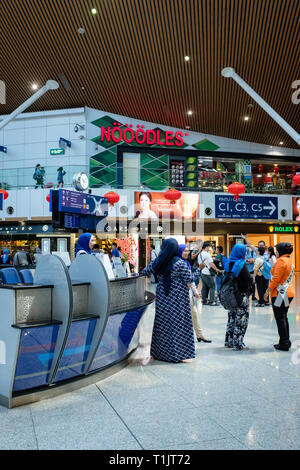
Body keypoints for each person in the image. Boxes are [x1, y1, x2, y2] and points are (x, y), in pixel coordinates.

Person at [141, 238, 195, 363]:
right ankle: (177, 354)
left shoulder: (159, 262)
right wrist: (198, 271)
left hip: (163, 298)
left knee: (163, 324)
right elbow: (189, 280)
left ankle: (161, 353)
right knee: (178, 325)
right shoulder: (180, 263)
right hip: (177, 299)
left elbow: (145, 272)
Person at [264, 243, 294, 351]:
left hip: (280, 294)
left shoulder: (281, 261)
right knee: (283, 317)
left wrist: (267, 292)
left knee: (280, 318)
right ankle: (285, 340)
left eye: (277, 250)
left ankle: (284, 343)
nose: (275, 252)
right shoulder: (288, 260)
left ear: (281, 251)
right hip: (287, 292)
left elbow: (275, 279)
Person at [224, 244, 254, 351]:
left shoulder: (228, 262)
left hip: (230, 295)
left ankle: (229, 341)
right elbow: (248, 280)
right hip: (241, 295)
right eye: (244, 251)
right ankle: (238, 343)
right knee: (241, 319)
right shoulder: (241, 264)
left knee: (232, 318)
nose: (245, 253)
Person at [179, 245, 211, 343]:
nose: (186, 253)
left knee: (195, 315)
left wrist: (195, 292)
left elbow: (190, 279)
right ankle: (182, 339)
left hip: (189, 296)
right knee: (183, 319)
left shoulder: (187, 263)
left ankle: (200, 335)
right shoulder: (177, 264)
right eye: (184, 251)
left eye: (187, 251)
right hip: (180, 296)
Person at [198, 241, 222, 305]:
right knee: (212, 286)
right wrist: (217, 269)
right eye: (209, 247)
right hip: (208, 273)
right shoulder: (207, 254)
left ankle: (204, 301)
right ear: (206, 247)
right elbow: (211, 264)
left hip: (202, 272)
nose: (209, 248)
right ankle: (212, 302)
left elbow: (199, 264)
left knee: (204, 287)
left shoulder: (199, 254)